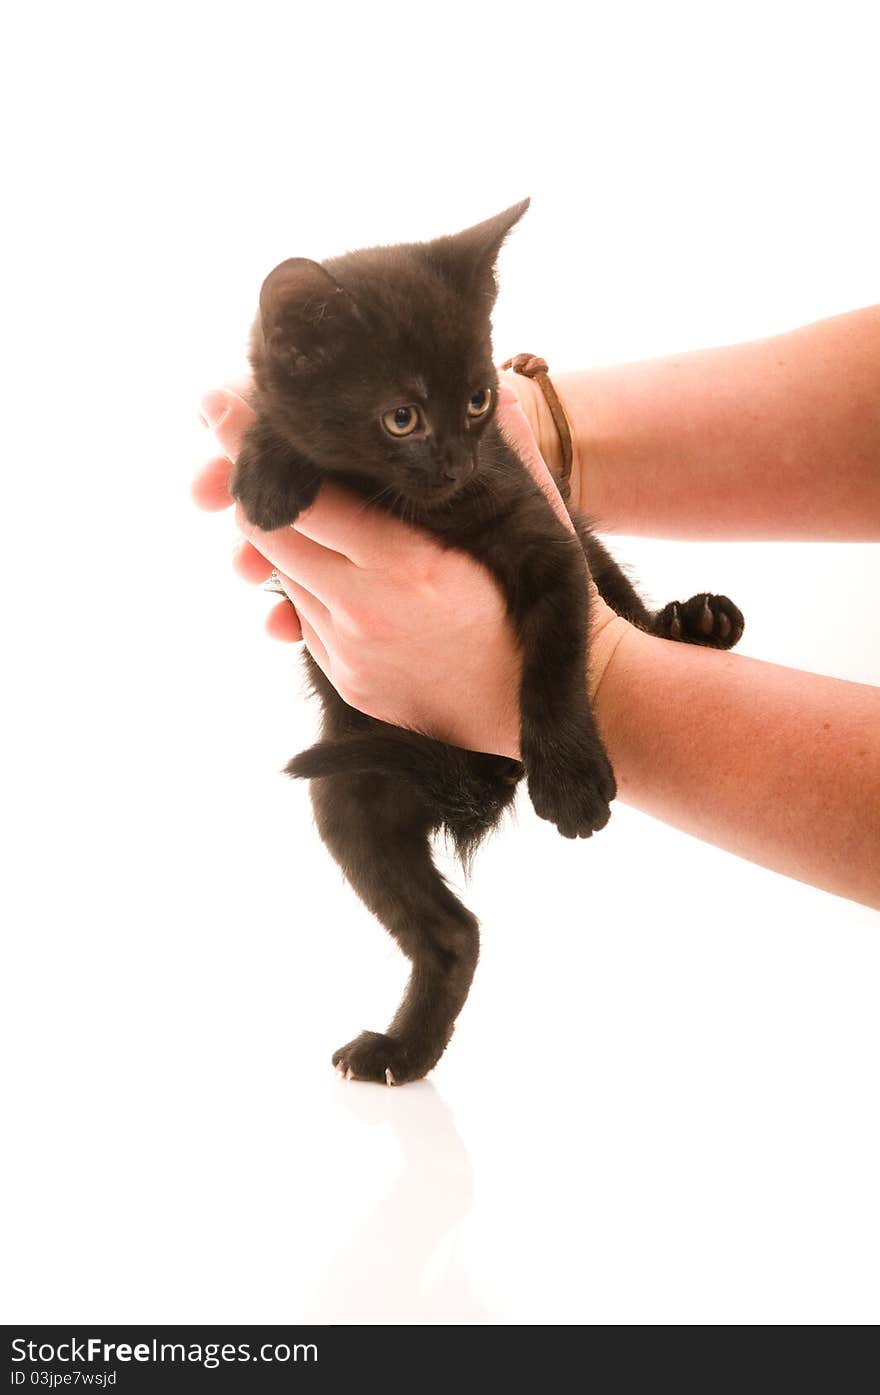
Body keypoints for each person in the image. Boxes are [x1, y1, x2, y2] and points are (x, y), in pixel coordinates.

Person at [193, 306, 880, 909]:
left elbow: (555, 562)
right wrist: (526, 425)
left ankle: (642, 635)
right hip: (399, 754)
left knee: (548, 543)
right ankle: (438, 955)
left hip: (524, 709)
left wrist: (604, 684)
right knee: (540, 524)